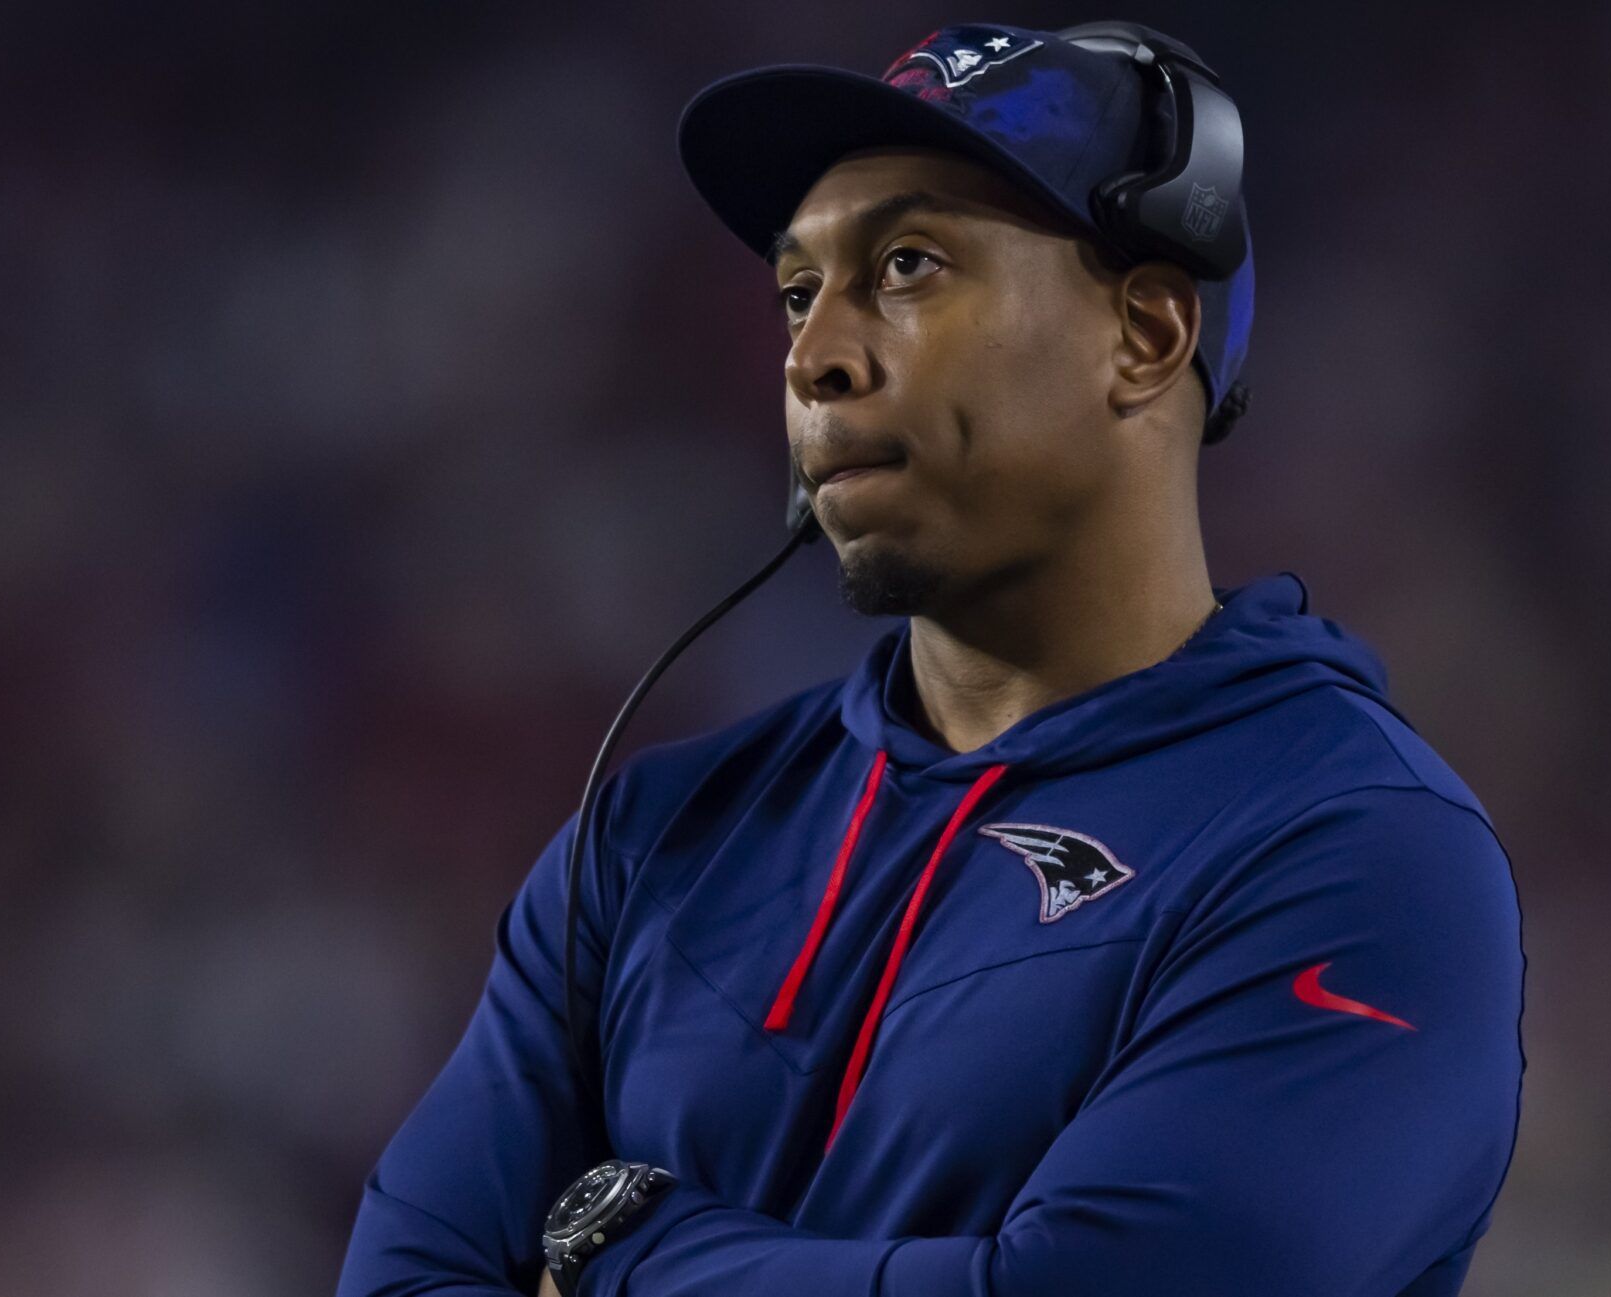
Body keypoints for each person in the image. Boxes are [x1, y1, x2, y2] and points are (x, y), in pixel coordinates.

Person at [336, 21, 1525, 1297]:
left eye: (908, 265)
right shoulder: (652, 840)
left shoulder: (1358, 854)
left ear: (1147, 335)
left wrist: (633, 1250)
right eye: (800, 293)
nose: (813, 359)